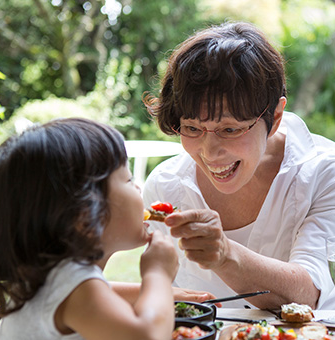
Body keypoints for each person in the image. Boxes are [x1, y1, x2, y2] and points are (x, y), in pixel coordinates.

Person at [142, 21, 335, 310]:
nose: (209, 153)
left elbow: (309, 293)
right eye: (192, 128)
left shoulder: (323, 171)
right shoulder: (165, 184)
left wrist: (225, 254)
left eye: (230, 130)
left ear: (276, 116)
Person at [0, 118, 216, 340]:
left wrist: (150, 293)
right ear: (85, 216)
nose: (139, 187)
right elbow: (147, 336)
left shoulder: (50, 278)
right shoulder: (72, 287)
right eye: (128, 180)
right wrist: (158, 274)